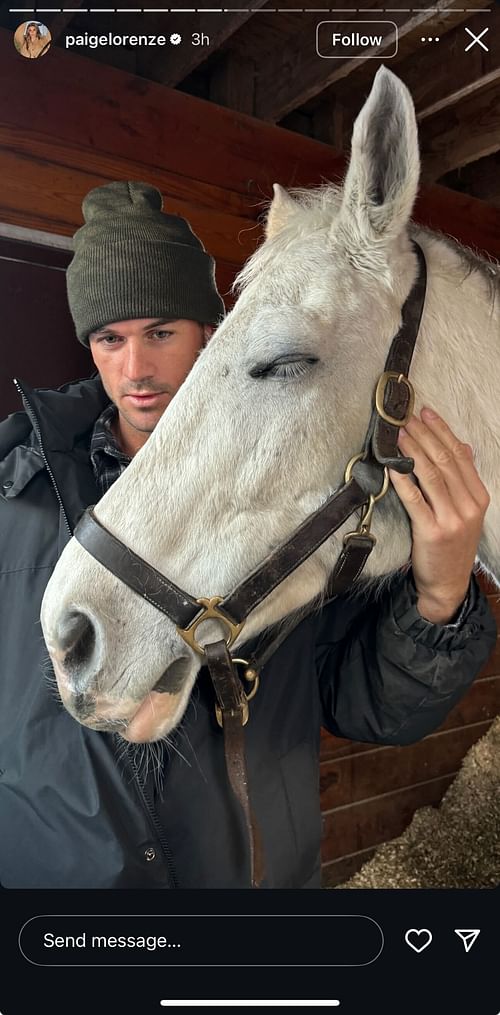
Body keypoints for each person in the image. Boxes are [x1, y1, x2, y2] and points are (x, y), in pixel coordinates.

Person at [0, 181, 496, 889]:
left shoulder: (296, 489)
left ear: (213, 333)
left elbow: (366, 702)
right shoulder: (9, 489)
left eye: (162, 332)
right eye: (111, 339)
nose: (136, 369)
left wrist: (442, 591)